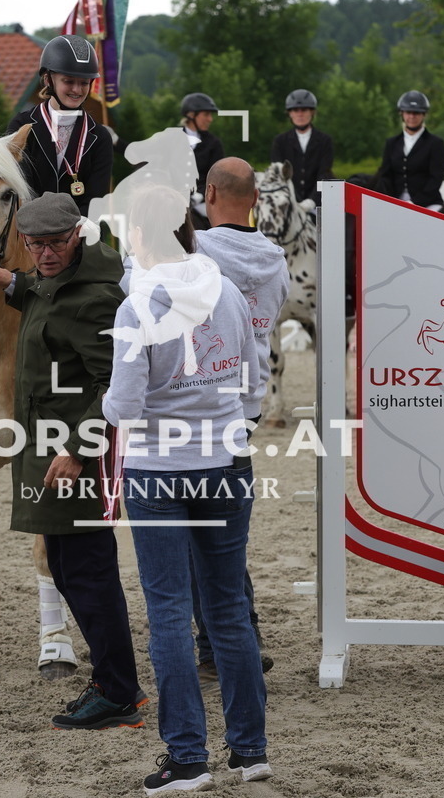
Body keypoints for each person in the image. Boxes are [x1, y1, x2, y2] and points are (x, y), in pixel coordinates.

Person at [0, 192, 143, 731]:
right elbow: (40, 291)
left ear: (76, 236)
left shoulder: (96, 297)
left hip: (74, 454)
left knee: (88, 571)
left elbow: (114, 386)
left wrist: (81, 448)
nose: (45, 254)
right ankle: (113, 683)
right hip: (48, 450)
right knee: (68, 566)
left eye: (56, 243)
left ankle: (119, 691)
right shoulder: (54, 281)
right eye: (35, 245)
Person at [103, 185, 272, 794]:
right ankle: (251, 750)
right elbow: (254, 382)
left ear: (140, 234)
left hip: (159, 469)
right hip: (226, 462)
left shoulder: (136, 305)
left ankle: (187, 758)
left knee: (169, 613)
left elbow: (122, 406)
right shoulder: (225, 289)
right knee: (228, 611)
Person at [191, 157, 289, 691]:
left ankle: (222, 643)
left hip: (198, 400)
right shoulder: (275, 260)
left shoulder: (197, 252)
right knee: (222, 532)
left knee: (191, 535)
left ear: (209, 193)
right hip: (245, 404)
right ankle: (235, 636)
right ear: (255, 199)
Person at [5, 34, 113, 216]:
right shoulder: (21, 125)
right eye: (68, 81)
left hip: (80, 234)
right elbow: (21, 191)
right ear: (48, 80)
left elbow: (96, 201)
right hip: (31, 234)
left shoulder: (100, 137)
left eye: (84, 83)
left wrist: (70, 235)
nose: (77, 90)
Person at [375, 91, 444, 210]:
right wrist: (391, 201)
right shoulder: (391, 143)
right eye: (408, 112)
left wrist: (414, 203)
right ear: (402, 113)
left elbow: (435, 179)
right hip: (395, 202)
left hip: (427, 203)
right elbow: (385, 176)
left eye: (416, 113)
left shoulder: (435, 144)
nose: (412, 116)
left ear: (424, 115)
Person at [270, 89, 334, 206]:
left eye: (304, 110)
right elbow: (279, 174)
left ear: (312, 112)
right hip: (288, 202)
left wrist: (312, 200)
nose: (300, 114)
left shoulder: (325, 141)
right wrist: (294, 200)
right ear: (290, 113)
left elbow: (324, 173)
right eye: (295, 110)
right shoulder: (280, 141)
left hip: (318, 203)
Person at [180, 92, 225, 229]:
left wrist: (200, 194)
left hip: (201, 200)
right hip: (174, 197)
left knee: (214, 225)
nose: (210, 119)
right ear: (191, 115)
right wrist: (116, 142)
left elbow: (217, 175)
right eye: (206, 115)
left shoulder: (213, 143)